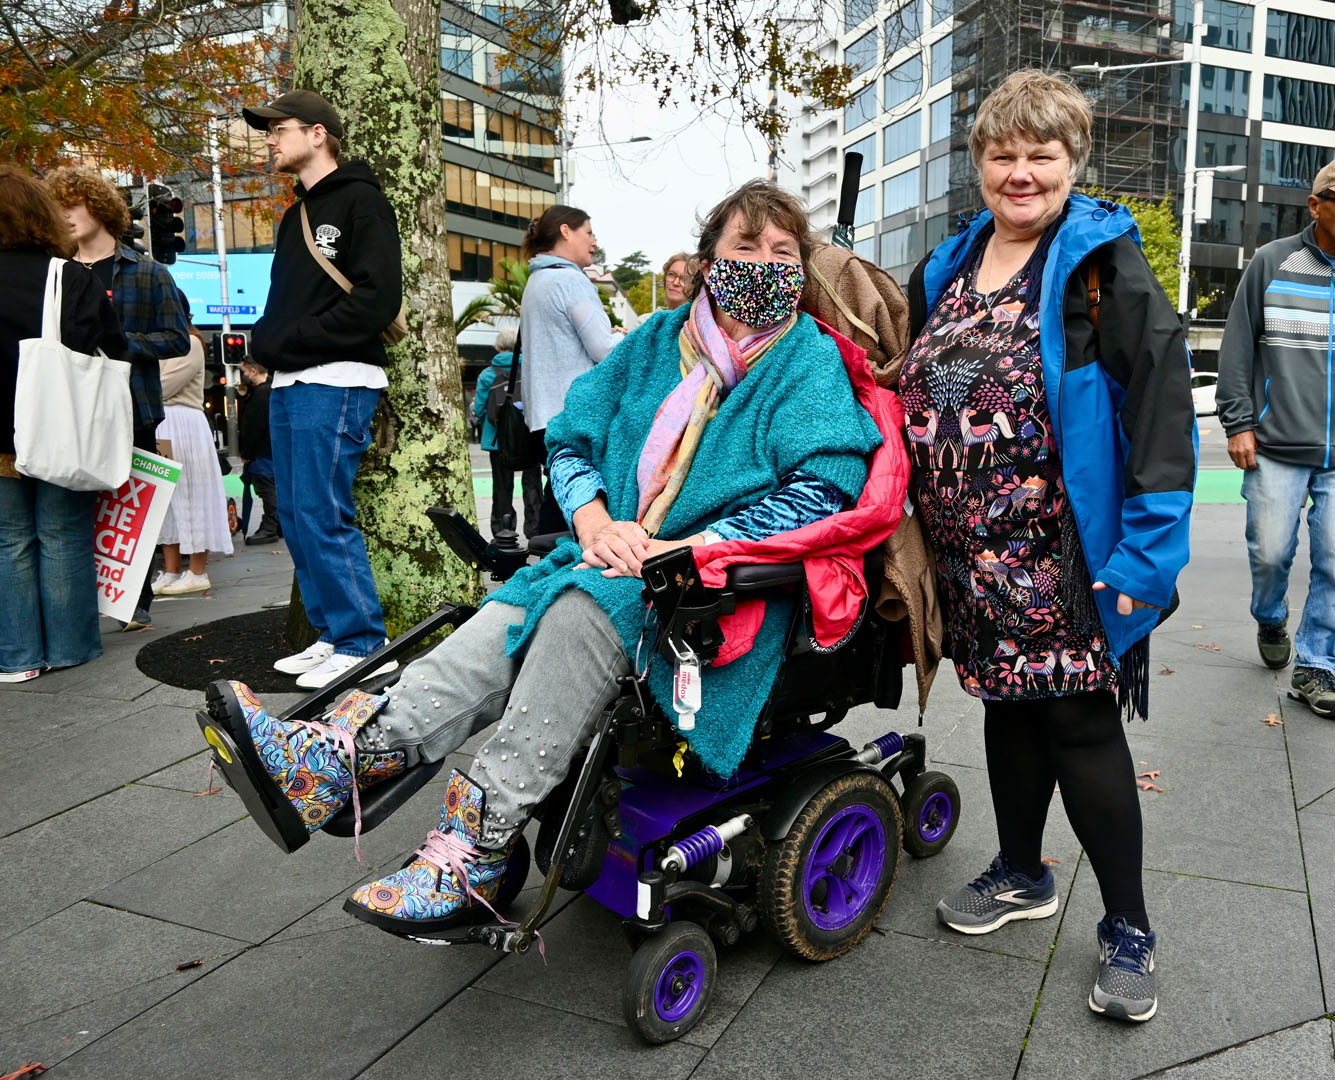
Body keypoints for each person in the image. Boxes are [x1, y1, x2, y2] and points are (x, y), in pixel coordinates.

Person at [206, 180, 884, 935]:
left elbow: (825, 489)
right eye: (745, 247)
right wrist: (594, 521)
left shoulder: (808, 360)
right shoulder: (658, 342)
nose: (764, 263)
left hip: (721, 586)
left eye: (783, 252)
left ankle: (478, 843)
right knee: (512, 602)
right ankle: (348, 757)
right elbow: (568, 438)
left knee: (579, 604)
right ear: (710, 261)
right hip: (613, 553)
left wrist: (683, 546)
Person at [901, 70, 1195, 1025]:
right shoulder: (946, 264)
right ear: (978, 162)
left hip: (1064, 553)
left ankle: (1129, 926)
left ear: (1072, 162)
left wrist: (1147, 559)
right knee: (1007, 712)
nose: (1020, 172)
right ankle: (1024, 872)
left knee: (1078, 724)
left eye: (1042, 154)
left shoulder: (1101, 264)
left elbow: (1158, 406)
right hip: (966, 556)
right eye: (1002, 154)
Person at [1216, 154, 1335, 720]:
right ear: (1316, 205)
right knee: (1271, 553)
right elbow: (1237, 347)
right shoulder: (1271, 263)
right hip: (1275, 442)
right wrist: (1240, 422)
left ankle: (1316, 666)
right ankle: (1270, 615)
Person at [240, 89, 403, 690]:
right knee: (299, 515)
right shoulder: (294, 215)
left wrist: (291, 340)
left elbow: (377, 298)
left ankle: (364, 643)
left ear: (317, 134)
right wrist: (269, 338)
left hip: (337, 379)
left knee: (322, 512)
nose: (269, 140)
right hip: (293, 381)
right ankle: (334, 635)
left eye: (278, 129)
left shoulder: (362, 202)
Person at [45, 165, 190, 630]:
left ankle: (135, 598)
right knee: (70, 503)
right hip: (69, 407)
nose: (66, 215)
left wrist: (123, 344)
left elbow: (177, 339)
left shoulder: (147, 272)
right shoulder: (55, 275)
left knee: (132, 505)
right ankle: (81, 601)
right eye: (58, 207)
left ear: (99, 207)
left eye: (74, 204)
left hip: (131, 405)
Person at [0, 165, 128, 683]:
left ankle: (17, 657)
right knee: (63, 534)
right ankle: (71, 647)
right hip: (58, 428)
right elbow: (111, 348)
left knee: (8, 540)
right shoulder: (69, 278)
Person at [517, 205, 615, 536]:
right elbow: (602, 348)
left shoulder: (538, 280)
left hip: (543, 414)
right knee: (580, 498)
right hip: (575, 412)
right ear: (565, 231)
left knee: (560, 489)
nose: (594, 241)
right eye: (588, 232)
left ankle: (542, 562)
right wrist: (632, 341)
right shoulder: (569, 280)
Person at [153, 314, 234, 594]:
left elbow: (162, 387)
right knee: (167, 498)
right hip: (163, 425)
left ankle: (197, 571)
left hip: (184, 423)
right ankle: (172, 570)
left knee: (193, 495)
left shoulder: (190, 343)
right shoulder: (162, 343)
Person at [471, 327, 543, 539]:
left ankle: (504, 530)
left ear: (499, 346)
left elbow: (480, 408)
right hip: (530, 436)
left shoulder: (487, 374)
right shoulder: (531, 368)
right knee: (533, 484)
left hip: (498, 440)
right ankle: (535, 530)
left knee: (502, 487)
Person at [236, 359, 279, 544]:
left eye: (244, 371)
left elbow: (252, 427)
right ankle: (277, 525)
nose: (243, 376)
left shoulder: (261, 394)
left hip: (261, 453)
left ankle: (270, 527)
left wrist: (246, 452)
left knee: (266, 490)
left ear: (253, 371)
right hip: (273, 450)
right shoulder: (274, 390)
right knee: (274, 489)